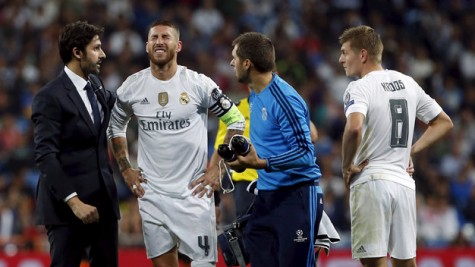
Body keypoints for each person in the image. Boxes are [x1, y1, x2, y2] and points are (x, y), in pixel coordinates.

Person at [107, 20, 245, 267]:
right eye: (154, 37)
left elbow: (235, 120)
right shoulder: (131, 87)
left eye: (166, 37)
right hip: (152, 195)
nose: (159, 41)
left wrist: (217, 168)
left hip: (193, 194)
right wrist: (126, 168)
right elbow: (114, 127)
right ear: (147, 46)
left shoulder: (198, 84)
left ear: (178, 45)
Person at [338, 25, 453, 267]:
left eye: (345, 52)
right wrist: (409, 150)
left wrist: (346, 166)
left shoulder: (359, 87)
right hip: (403, 183)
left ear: (362, 54)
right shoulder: (407, 82)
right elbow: (443, 122)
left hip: (371, 182)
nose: (341, 59)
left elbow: (354, 127)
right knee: (406, 263)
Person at [226, 32, 323, 267]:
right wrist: (241, 160)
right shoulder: (255, 96)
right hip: (266, 198)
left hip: (296, 197)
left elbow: (305, 152)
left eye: (235, 58)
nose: (231, 63)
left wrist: (259, 163)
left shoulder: (284, 99)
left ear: (247, 63)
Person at [31, 21, 119, 267]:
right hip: (68, 208)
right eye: (96, 48)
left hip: (103, 204)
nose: (103, 54)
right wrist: (74, 201)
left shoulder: (97, 86)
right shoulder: (49, 97)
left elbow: (120, 105)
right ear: (77, 52)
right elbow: (46, 156)